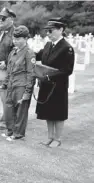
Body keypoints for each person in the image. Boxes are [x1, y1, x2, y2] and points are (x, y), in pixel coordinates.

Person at [34, 17, 75, 148]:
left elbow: (67, 70)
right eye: (47, 31)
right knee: (48, 111)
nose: (48, 34)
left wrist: (49, 76)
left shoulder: (66, 48)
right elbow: (38, 55)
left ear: (61, 30)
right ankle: (50, 137)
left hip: (58, 86)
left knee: (58, 113)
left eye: (51, 31)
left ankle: (57, 138)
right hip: (46, 84)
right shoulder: (48, 45)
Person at [0, 25, 36, 141]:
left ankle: (18, 134)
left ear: (25, 39)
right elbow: (9, 71)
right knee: (9, 109)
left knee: (20, 111)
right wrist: (4, 84)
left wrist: (28, 92)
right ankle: (10, 131)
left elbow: (31, 74)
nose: (15, 41)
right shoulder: (13, 52)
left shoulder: (29, 53)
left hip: (22, 86)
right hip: (11, 84)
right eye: (14, 39)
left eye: (18, 39)